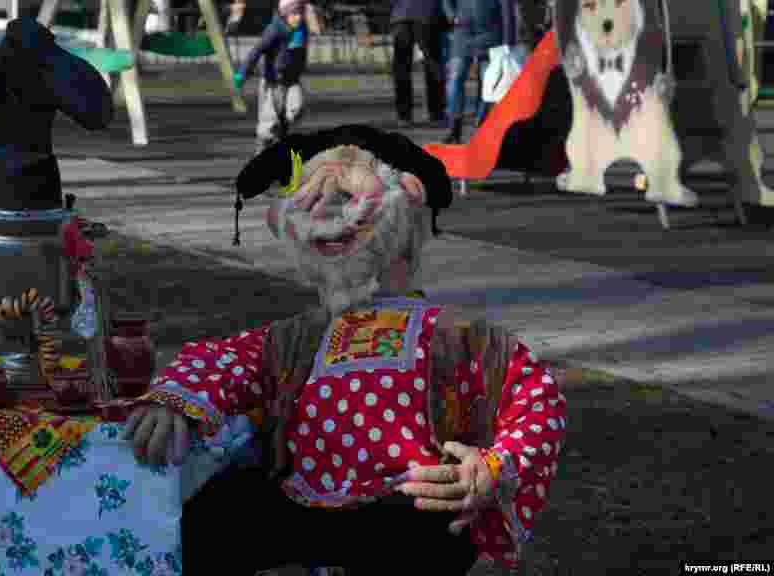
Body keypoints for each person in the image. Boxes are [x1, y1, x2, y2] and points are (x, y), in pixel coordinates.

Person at [125, 124, 568, 573]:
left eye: (344, 196)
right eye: (315, 199)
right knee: (209, 520)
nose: (329, 212)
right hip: (299, 500)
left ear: (408, 207)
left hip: (412, 503)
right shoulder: (296, 337)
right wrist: (177, 399)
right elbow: (225, 359)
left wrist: (494, 465)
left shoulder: (459, 335)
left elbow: (535, 397)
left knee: (427, 536)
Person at [233, 0, 311, 154]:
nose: (299, 17)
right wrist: (242, 73)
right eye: (294, 14)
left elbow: (300, 53)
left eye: (301, 13)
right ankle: (262, 150)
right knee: (268, 124)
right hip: (272, 82)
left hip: (292, 82)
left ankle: (281, 131)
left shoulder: (302, 29)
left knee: (296, 108)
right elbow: (257, 50)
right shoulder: (275, 29)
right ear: (284, 14)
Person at [442, 0, 514, 143]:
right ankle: (454, 128)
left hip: (491, 35)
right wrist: (451, 15)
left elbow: (506, 7)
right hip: (463, 34)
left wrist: (508, 40)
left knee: (488, 85)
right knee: (454, 81)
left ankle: (480, 128)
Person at [389, 0, 446, 128]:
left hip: (401, 15)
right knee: (432, 65)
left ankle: (404, 115)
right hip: (427, 13)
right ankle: (436, 113)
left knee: (401, 69)